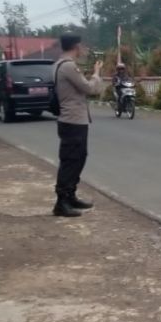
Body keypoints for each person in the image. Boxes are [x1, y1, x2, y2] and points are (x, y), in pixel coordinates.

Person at [53, 33, 103, 217]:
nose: (83, 49)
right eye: (82, 46)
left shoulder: (59, 64)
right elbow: (89, 88)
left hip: (72, 119)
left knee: (78, 158)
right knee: (71, 160)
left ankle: (70, 196)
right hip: (72, 120)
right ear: (76, 46)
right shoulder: (68, 66)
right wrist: (96, 74)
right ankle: (62, 202)